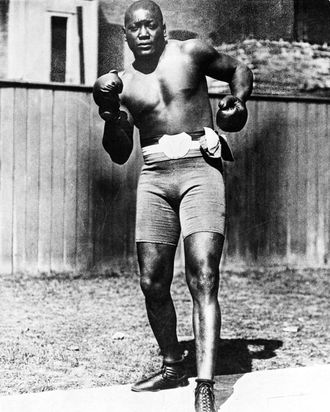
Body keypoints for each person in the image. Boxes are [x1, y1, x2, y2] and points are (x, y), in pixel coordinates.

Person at [93, 1, 253, 411]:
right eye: (134, 28)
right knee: (151, 281)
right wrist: (110, 113)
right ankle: (171, 365)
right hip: (154, 179)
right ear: (125, 36)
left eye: (150, 25)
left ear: (163, 29)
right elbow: (118, 152)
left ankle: (204, 383)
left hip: (200, 170)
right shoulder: (122, 84)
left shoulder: (190, 53)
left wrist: (237, 101)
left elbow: (239, 70)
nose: (143, 32)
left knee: (202, 275)